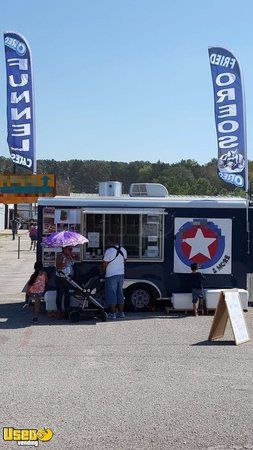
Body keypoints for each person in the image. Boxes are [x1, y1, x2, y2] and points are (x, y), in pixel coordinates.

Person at [102, 240, 127, 320]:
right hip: (121, 274)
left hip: (111, 274)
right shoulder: (123, 250)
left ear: (111, 243)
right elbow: (125, 261)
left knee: (112, 293)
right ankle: (121, 313)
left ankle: (112, 314)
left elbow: (104, 264)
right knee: (120, 293)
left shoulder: (109, 251)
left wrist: (102, 270)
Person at [55, 246, 75, 317]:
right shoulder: (60, 256)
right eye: (69, 249)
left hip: (68, 278)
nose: (71, 251)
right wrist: (64, 263)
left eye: (71, 249)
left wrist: (71, 258)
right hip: (61, 278)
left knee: (67, 294)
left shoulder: (69, 256)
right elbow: (57, 267)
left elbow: (72, 264)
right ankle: (59, 310)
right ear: (64, 249)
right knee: (60, 294)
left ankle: (66, 310)